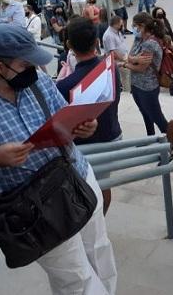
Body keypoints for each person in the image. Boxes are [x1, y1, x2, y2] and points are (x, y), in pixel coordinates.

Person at [0, 25, 117, 293]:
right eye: (26, 64)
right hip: (32, 209)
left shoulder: (35, 80)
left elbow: (63, 117)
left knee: (100, 252)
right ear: (0, 67)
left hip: (77, 177)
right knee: (76, 280)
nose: (34, 70)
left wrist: (84, 126)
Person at [56, 17, 123, 213]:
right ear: (96, 42)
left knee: (85, 189)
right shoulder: (111, 70)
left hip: (85, 149)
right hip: (113, 136)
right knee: (103, 184)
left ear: (69, 45)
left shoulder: (64, 86)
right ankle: (100, 220)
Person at [124, 13, 169, 136]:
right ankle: (150, 138)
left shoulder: (150, 43)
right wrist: (133, 60)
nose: (133, 28)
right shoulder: (139, 39)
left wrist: (126, 64)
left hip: (148, 87)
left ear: (142, 26)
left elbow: (141, 68)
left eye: (134, 26)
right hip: (136, 85)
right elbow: (130, 57)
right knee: (145, 113)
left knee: (157, 117)